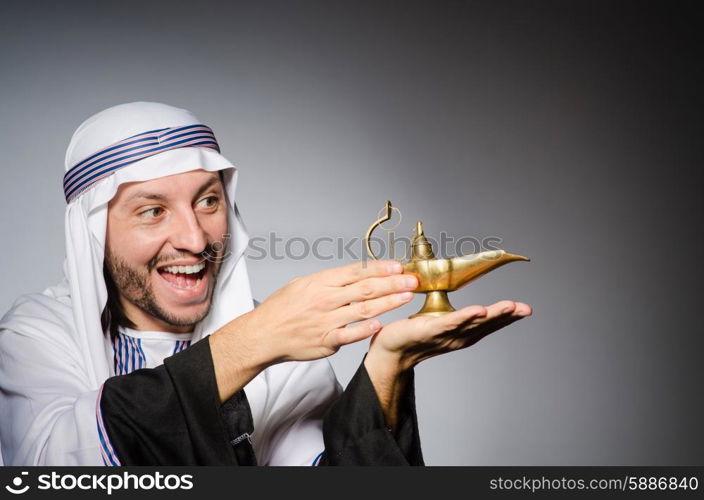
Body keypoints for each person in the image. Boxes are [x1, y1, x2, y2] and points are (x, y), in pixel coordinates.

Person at [0, 102, 532, 466]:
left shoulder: (280, 336)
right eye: (153, 210)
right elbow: (54, 464)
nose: (193, 237)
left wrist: (386, 368)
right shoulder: (36, 334)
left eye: (208, 201)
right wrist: (255, 340)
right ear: (94, 235)